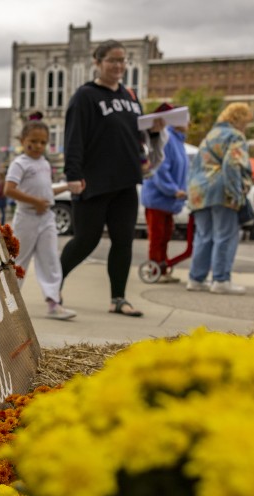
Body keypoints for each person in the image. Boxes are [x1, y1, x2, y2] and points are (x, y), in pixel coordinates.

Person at [60, 39, 167, 318]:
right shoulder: (85, 96)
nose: (119, 66)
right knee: (86, 240)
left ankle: (118, 298)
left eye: (123, 61)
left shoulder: (131, 96)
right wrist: (73, 174)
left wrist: (154, 131)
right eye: (113, 60)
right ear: (98, 62)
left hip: (126, 180)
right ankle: (52, 286)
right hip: (93, 180)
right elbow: (74, 138)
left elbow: (139, 136)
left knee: (124, 241)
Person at [5, 115, 75, 320]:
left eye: (42, 142)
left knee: (51, 259)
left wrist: (68, 187)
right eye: (33, 141)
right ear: (22, 141)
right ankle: (9, 301)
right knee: (19, 260)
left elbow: (46, 193)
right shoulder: (20, 163)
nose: (37, 146)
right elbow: (9, 189)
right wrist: (34, 201)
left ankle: (54, 302)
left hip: (47, 219)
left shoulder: (45, 163)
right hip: (26, 218)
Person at [185, 102, 254, 294]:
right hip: (221, 190)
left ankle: (196, 278)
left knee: (203, 236)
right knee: (225, 235)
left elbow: (195, 167)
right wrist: (236, 192)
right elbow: (232, 164)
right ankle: (221, 280)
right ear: (239, 119)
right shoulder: (235, 135)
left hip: (199, 191)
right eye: (246, 121)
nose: (246, 126)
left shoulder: (210, 136)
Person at [141, 102, 189, 283]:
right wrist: (173, 190)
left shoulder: (179, 141)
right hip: (158, 198)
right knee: (157, 235)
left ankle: (162, 266)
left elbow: (180, 169)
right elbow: (160, 168)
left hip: (168, 200)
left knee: (166, 234)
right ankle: (155, 268)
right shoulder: (167, 138)